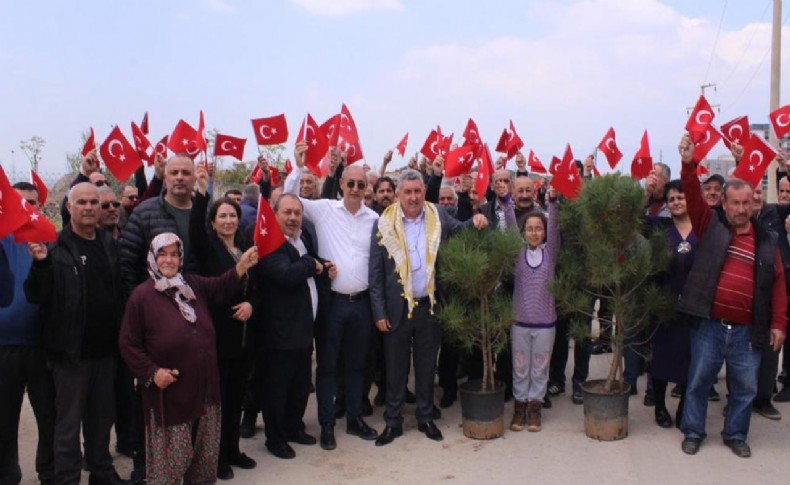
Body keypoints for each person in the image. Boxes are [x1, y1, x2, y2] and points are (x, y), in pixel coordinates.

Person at [677, 133, 787, 458]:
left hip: (746, 331)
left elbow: (779, 283)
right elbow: (694, 197)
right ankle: (693, 432)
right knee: (697, 382)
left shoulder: (767, 240)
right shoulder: (710, 226)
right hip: (710, 326)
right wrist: (688, 164)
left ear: (754, 204)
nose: (740, 209)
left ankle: (736, 434)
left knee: (745, 388)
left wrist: (779, 323)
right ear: (724, 204)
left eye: (746, 203)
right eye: (734, 203)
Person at [119, 233, 258, 485]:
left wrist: (242, 265)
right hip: (170, 395)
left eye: (174, 254)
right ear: (152, 257)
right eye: (163, 254)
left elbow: (221, 285)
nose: (169, 260)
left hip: (205, 389)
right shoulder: (142, 296)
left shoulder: (192, 284)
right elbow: (128, 343)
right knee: (172, 464)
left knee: (204, 460)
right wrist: (152, 373)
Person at [369, 169, 489, 446]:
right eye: (407, 192)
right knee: (396, 369)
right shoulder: (383, 224)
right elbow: (375, 273)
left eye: (417, 191)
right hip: (396, 309)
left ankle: (425, 418)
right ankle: (393, 422)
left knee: (425, 367)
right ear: (398, 194)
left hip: (429, 307)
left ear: (424, 192)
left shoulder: (438, 215)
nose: (413, 197)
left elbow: (460, 230)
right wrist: (378, 312)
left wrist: (476, 219)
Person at [25, 182, 128, 485]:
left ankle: (101, 471)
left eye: (93, 203)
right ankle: (67, 478)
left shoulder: (110, 244)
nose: (88, 208)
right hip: (70, 355)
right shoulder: (54, 247)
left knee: (101, 420)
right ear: (69, 207)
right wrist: (41, 266)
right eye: (81, 202)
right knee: (68, 426)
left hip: (106, 353)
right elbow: (37, 295)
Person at [283, 142, 380, 451]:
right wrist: (299, 168)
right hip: (332, 305)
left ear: (367, 188)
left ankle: (353, 419)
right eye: (350, 183)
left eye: (360, 184)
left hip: (361, 304)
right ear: (340, 184)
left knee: (355, 365)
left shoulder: (374, 219)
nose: (354, 188)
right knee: (326, 366)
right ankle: (327, 424)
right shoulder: (324, 210)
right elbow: (290, 199)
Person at [253, 194, 334, 459]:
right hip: (279, 333)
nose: (293, 218)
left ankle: (293, 427)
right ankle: (274, 439)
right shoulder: (269, 244)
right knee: (277, 388)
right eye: (287, 212)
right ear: (275, 214)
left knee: (300, 385)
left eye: (297, 213)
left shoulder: (302, 238)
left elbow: (310, 260)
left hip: (303, 331)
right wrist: (313, 265)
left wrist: (322, 263)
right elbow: (286, 275)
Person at [189, 167, 257, 479]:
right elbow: (194, 230)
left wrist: (251, 304)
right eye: (222, 216)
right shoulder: (208, 248)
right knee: (218, 402)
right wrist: (203, 192)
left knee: (236, 399)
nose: (229, 220)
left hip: (244, 337)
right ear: (214, 223)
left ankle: (233, 449)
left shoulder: (244, 246)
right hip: (218, 335)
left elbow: (255, 287)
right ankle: (215, 457)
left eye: (233, 215)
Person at [0, 182, 55, 485]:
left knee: (49, 416)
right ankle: (8, 475)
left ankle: (48, 472)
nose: (25, 209)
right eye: (17, 203)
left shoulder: (50, 242)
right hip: (4, 347)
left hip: (42, 346)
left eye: (31, 203)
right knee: (4, 419)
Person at [510, 188, 559, 433]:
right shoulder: (518, 253)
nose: (534, 233)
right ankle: (520, 406)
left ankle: (535, 408)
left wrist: (552, 202)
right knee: (520, 367)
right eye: (529, 229)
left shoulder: (550, 254)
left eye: (539, 228)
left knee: (540, 367)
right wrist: (507, 202)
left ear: (545, 232)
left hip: (545, 324)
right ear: (523, 232)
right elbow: (509, 226)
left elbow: (556, 229)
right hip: (519, 322)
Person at [647, 180, 695, 429]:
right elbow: (635, 220)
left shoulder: (703, 228)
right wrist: (647, 192)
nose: (676, 202)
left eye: (681, 197)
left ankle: (684, 406)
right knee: (662, 359)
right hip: (664, 304)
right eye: (672, 199)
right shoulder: (661, 227)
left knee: (690, 359)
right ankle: (659, 406)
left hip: (694, 307)